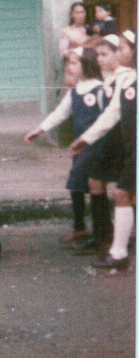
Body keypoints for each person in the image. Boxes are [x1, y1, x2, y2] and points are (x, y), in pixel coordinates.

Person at [25, 47, 103, 244]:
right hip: (80, 147)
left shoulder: (100, 88)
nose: (70, 66)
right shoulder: (75, 91)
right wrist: (39, 129)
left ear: (87, 65)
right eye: (69, 62)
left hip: (97, 146)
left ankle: (100, 231)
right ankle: (80, 227)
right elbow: (60, 113)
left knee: (95, 186)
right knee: (76, 184)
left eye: (75, 63)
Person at [69, 35, 132, 254]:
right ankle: (102, 234)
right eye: (98, 55)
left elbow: (114, 113)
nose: (99, 59)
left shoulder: (126, 77)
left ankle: (117, 239)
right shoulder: (109, 77)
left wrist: (87, 137)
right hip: (107, 138)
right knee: (96, 182)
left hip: (122, 139)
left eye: (105, 54)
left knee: (125, 191)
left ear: (119, 54)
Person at [91, 30, 136, 270]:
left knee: (123, 194)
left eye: (121, 48)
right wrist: (87, 138)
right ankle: (118, 254)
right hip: (132, 150)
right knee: (122, 194)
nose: (118, 53)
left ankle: (119, 253)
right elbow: (112, 113)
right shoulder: (129, 80)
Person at [59, 2, 90, 94]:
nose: (80, 15)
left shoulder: (91, 30)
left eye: (82, 12)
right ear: (71, 15)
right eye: (77, 13)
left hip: (88, 69)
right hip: (73, 70)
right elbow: (63, 53)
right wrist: (75, 51)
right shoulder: (66, 31)